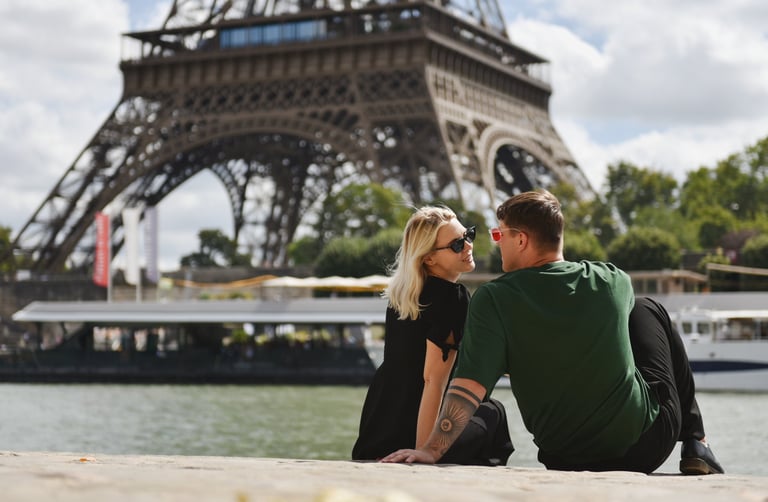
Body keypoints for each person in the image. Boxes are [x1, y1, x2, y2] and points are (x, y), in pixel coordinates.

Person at [382, 190, 724, 475]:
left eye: (499, 235)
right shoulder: (613, 281)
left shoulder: (494, 299)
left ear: (522, 239)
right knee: (647, 309)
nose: (495, 244)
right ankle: (697, 440)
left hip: (564, 458)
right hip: (646, 447)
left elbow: (467, 389)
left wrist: (431, 450)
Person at [352, 206, 514, 466]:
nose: (468, 246)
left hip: (382, 425)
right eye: (456, 244)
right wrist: (425, 451)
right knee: (493, 411)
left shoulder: (402, 296)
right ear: (428, 258)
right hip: (418, 428)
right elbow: (433, 380)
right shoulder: (452, 298)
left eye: (468, 235)